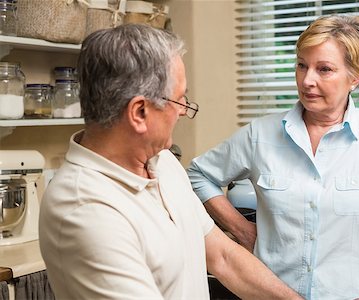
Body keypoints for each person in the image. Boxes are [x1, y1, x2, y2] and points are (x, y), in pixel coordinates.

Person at [187, 14, 359, 299]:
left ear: (355, 77)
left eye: (324, 69)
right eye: (302, 65)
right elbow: (198, 175)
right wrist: (243, 230)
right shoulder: (260, 134)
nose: (307, 80)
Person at [39, 24, 303, 300]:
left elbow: (223, 257)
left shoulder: (162, 161)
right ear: (139, 112)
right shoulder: (84, 209)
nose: (183, 112)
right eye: (179, 101)